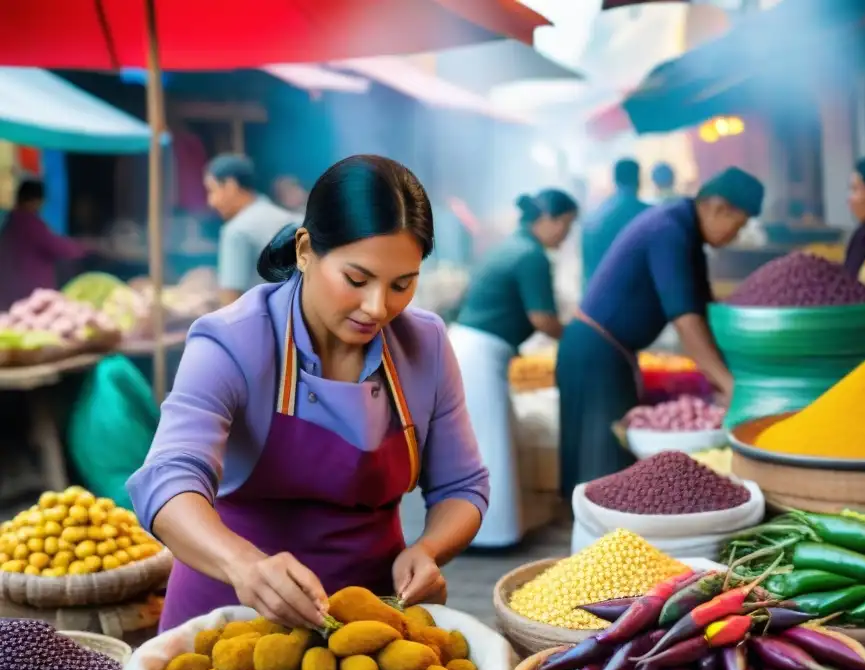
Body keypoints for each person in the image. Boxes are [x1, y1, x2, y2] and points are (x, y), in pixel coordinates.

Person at [128, 155, 489, 632]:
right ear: (304, 250)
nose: (378, 307)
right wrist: (245, 565)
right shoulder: (232, 340)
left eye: (402, 285)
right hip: (228, 613)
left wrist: (427, 549)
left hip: (370, 620)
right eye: (356, 280)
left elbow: (462, 486)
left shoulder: (425, 343)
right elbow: (168, 480)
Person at [557, 167, 764, 497]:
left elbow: (702, 309)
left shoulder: (687, 232)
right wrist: (727, 384)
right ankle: (599, 546)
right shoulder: (670, 230)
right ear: (719, 207)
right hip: (594, 354)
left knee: (604, 471)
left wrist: (730, 369)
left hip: (605, 353)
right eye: (737, 227)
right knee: (601, 477)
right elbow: (686, 320)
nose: (734, 237)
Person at [450, 190, 577, 547]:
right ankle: (490, 536)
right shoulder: (531, 255)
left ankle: (486, 532)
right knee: (487, 448)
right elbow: (543, 319)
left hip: (473, 348)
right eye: (565, 225)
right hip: (479, 353)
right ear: (548, 220)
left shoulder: (512, 245)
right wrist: (577, 337)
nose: (566, 235)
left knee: (483, 444)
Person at [205, 154, 301, 306]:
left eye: (212, 190)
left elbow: (230, 300)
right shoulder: (292, 219)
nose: (211, 201)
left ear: (231, 186)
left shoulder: (237, 230)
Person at [0, 179, 85, 310]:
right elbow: (60, 248)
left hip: (9, 293)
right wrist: (86, 246)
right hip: (29, 295)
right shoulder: (29, 223)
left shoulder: (10, 223)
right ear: (36, 201)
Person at [580, 159, 648, 291]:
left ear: (614, 180)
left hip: (598, 299)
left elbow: (587, 272)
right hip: (638, 298)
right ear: (639, 179)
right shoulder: (650, 216)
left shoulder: (592, 218)